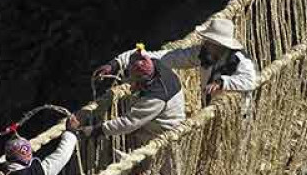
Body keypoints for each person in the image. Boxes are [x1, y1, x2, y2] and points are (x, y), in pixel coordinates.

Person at [95, 16, 257, 109]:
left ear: (221, 45)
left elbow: (251, 81)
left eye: (210, 42)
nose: (205, 44)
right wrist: (117, 63)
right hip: (210, 110)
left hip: (236, 113)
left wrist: (223, 82)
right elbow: (164, 57)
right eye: (207, 41)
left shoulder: (240, 61)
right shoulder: (201, 54)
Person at [83, 47, 186, 149]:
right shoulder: (154, 63)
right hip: (158, 116)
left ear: (142, 80)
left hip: (164, 133)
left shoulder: (155, 98)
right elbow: (135, 54)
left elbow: (129, 122)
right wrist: (113, 65)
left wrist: (97, 130)